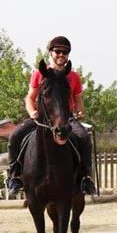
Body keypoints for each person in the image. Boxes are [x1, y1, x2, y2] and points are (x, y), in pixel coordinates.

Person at [5, 36, 96, 197]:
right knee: (15, 136)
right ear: (50, 53)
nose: (62, 55)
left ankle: (86, 178)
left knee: (83, 137)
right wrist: (32, 111)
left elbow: (77, 99)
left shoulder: (73, 77)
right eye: (58, 51)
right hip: (41, 119)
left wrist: (80, 112)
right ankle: (15, 177)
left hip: (67, 119)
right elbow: (30, 98)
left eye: (65, 52)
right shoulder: (39, 74)